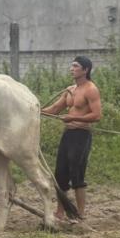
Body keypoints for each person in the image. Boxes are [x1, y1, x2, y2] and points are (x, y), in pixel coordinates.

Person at [41, 55, 102, 220]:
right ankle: (60, 212)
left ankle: (80, 214)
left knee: (77, 174)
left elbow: (97, 115)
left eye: (75, 66)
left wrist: (74, 118)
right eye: (72, 66)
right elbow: (54, 109)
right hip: (68, 135)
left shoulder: (91, 89)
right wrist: (35, 109)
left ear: (85, 70)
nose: (71, 69)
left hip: (81, 135)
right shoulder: (70, 89)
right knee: (60, 174)